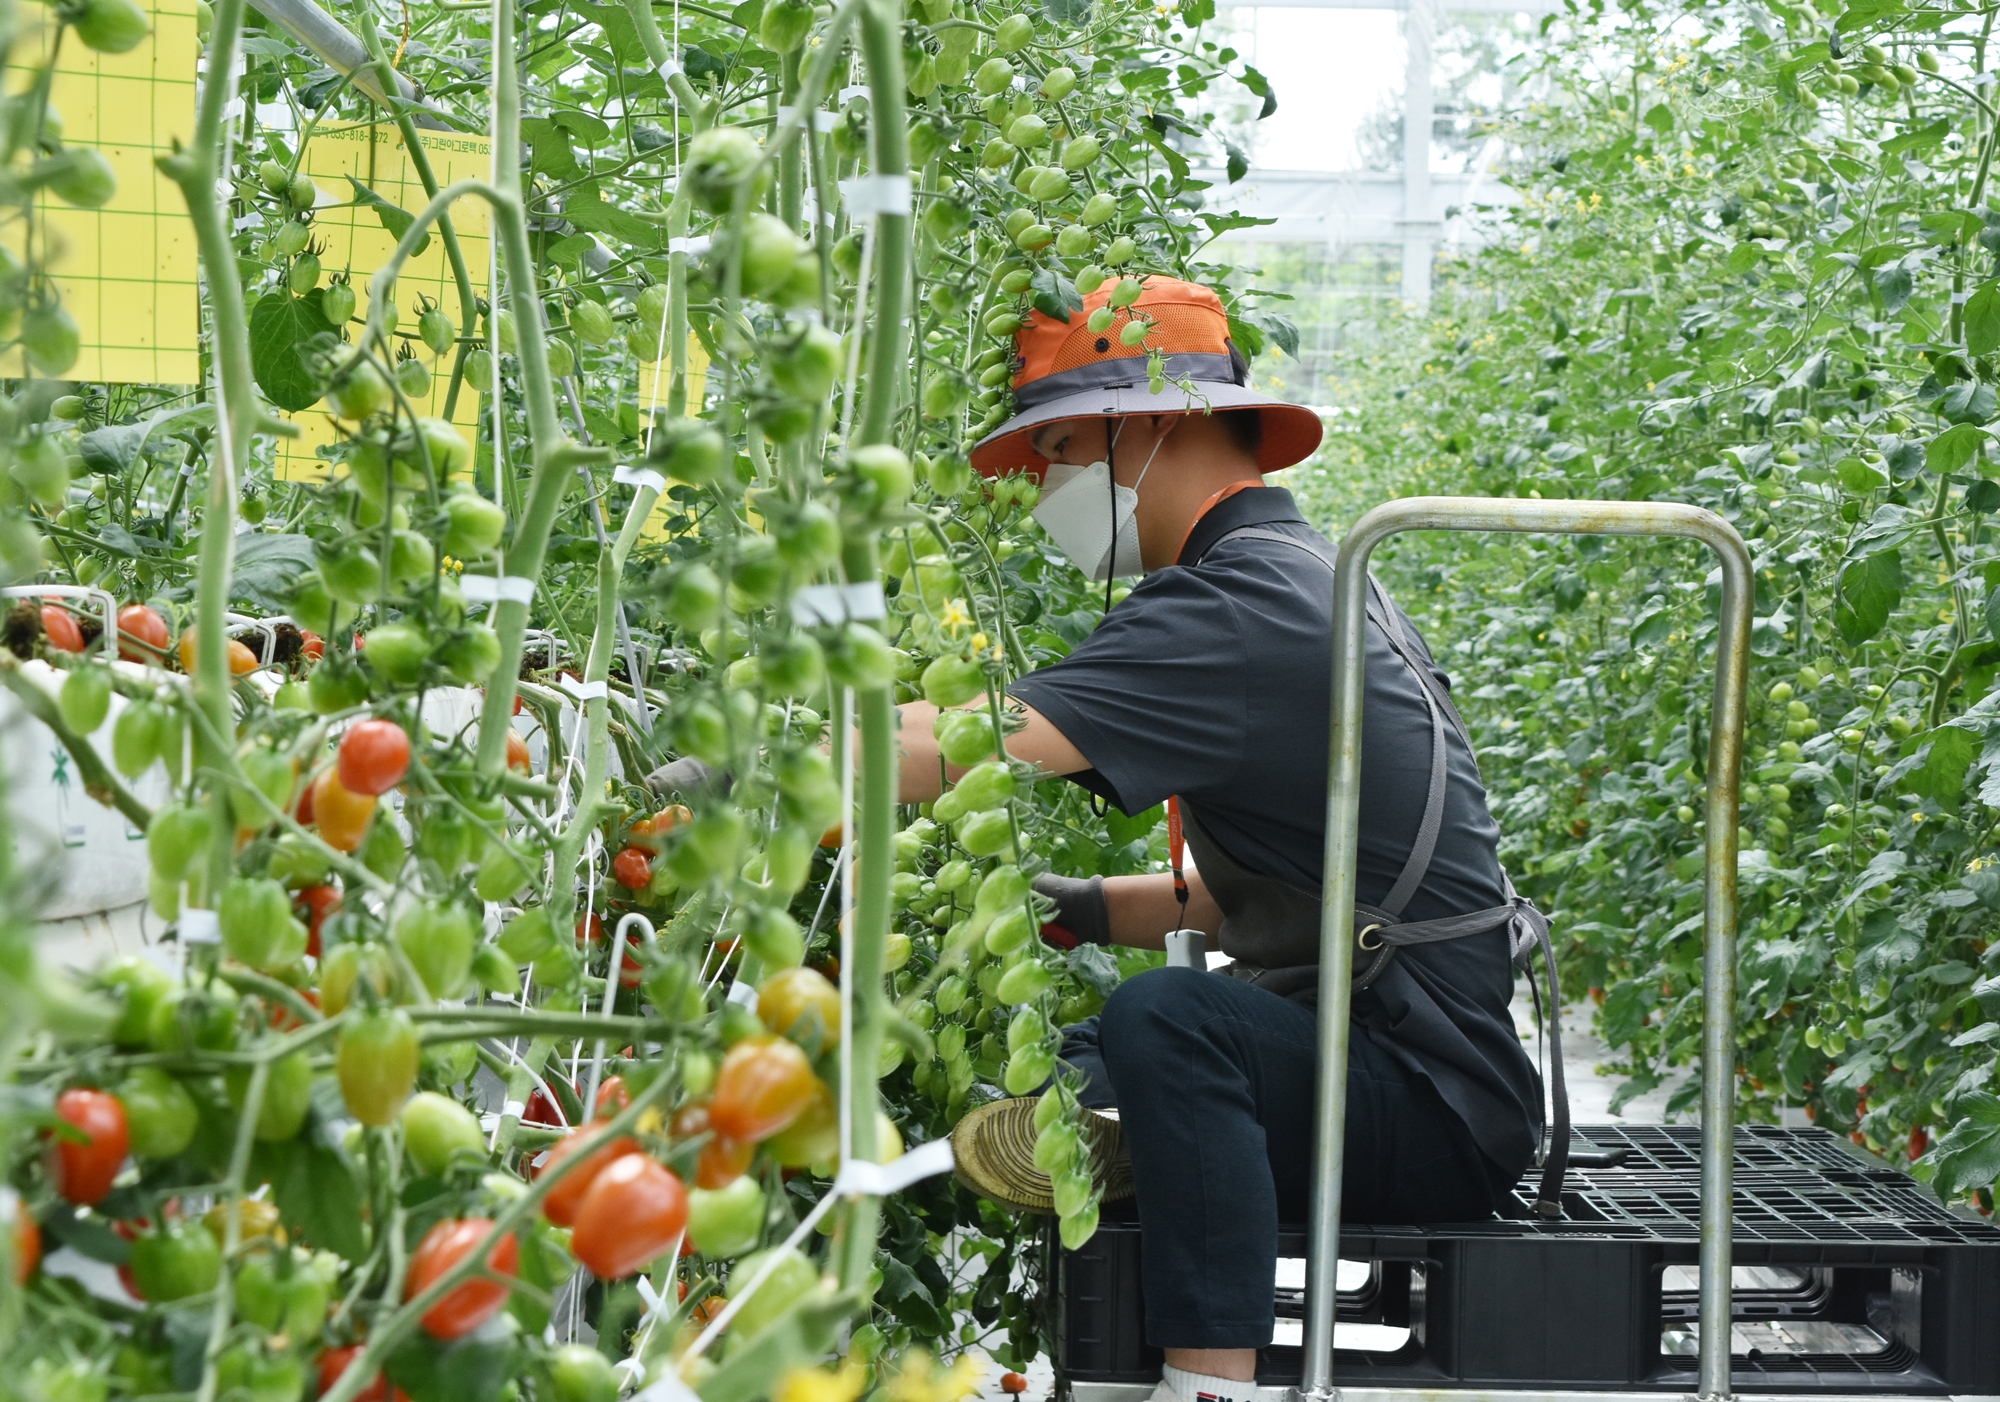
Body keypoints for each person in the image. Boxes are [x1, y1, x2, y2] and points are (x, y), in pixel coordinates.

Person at [892, 277, 1546, 1402]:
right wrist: (1080, 907)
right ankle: (1112, 1141)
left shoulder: (1232, 609)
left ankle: (1212, 1385)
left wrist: (731, 764)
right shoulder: (1295, 576)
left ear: (1144, 426)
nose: (1050, 491)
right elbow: (1292, 887)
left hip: (1431, 1097)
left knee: (1171, 1021)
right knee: (1093, 1058)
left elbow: (947, 745)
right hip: (1393, 1056)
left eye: (1055, 453)